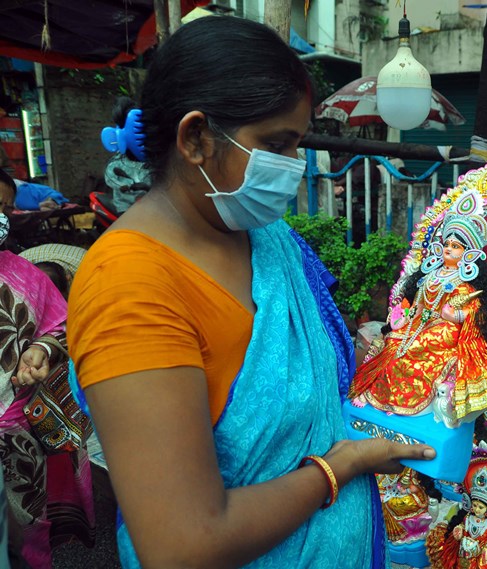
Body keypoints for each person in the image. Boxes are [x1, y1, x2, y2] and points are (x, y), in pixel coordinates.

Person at [67, 16, 439, 569]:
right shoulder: (130, 288)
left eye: (298, 144)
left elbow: (319, 369)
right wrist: (339, 469)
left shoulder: (263, 236)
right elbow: (183, 545)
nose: (295, 167)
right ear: (195, 138)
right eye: (276, 144)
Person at [348, 190, 487, 422]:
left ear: (469, 253)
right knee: (394, 341)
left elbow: (476, 312)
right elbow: (420, 303)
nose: (448, 249)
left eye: (456, 246)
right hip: (421, 323)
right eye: (446, 244)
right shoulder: (431, 275)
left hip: (447, 329)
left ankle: (408, 400)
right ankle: (378, 394)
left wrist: (456, 316)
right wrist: (406, 317)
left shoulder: (465, 283)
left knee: (423, 343)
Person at [0, 213, 95, 568]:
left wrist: (41, 349)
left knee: (29, 527)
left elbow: (62, 323)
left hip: (18, 436)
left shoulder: (23, 276)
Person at [425, 467, 487, 569]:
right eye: (474, 505)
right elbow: (463, 526)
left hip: (481, 557)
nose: (477, 510)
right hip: (462, 554)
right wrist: (459, 529)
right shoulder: (468, 517)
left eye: (481, 507)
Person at [103, 96, 152, 215]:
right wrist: (129, 185)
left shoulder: (152, 161)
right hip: (125, 208)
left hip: (150, 207)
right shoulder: (117, 163)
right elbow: (111, 179)